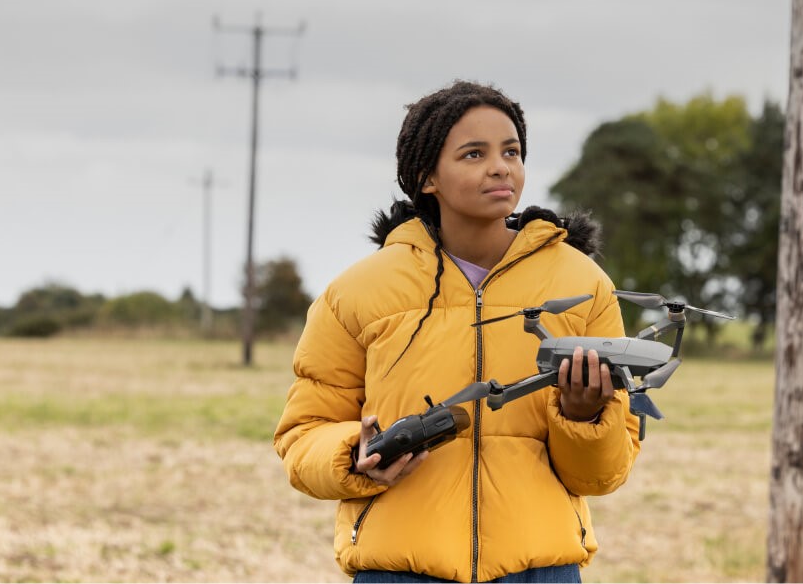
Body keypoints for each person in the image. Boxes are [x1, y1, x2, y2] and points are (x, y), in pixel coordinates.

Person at [273, 80, 641, 583]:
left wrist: (584, 415)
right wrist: (352, 456)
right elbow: (302, 435)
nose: (500, 167)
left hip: (541, 571)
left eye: (511, 151)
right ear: (427, 177)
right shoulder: (356, 293)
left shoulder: (583, 284)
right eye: (473, 154)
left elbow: (601, 475)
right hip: (399, 571)